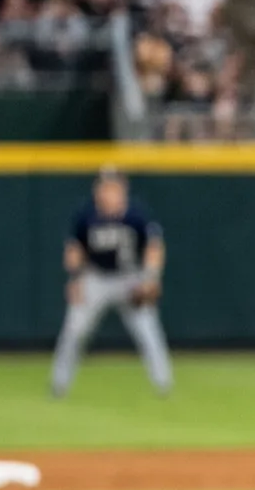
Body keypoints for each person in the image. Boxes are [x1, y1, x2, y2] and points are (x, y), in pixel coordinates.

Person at [49, 167, 171, 398]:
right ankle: (59, 384)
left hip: (131, 278)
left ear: (123, 189)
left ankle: (163, 385)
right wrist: (75, 279)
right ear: (98, 190)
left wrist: (151, 278)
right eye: (105, 187)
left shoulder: (137, 215)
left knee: (148, 331)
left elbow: (154, 247)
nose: (109, 192)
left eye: (114, 187)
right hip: (96, 279)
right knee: (74, 330)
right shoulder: (86, 216)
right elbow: (74, 250)